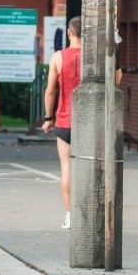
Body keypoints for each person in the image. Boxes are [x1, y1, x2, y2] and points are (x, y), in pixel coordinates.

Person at [41, 17, 82, 229]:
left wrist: (48, 118)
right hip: (90, 123)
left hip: (65, 121)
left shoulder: (58, 57)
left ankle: (70, 215)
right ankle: (91, 212)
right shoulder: (96, 57)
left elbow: (50, 90)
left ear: (69, 33)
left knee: (66, 167)